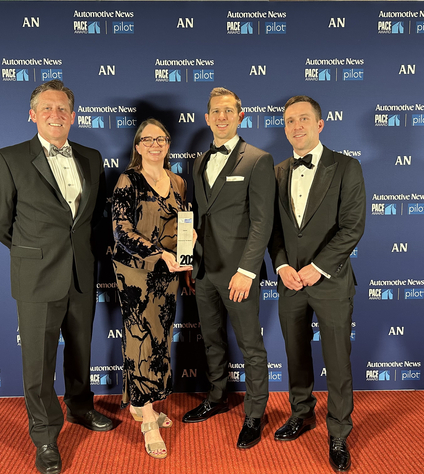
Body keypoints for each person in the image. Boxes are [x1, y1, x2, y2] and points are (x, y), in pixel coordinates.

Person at [0, 80, 111, 474]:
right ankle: (44, 434)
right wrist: (31, 252)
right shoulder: (9, 158)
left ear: (73, 116)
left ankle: (80, 407)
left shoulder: (91, 156)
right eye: (47, 108)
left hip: (82, 273)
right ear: (33, 114)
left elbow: (95, 217)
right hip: (36, 275)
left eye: (63, 109)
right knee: (37, 362)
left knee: (81, 348)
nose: (56, 114)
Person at [269, 95, 366, 472]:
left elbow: (352, 227)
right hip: (289, 281)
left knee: (338, 361)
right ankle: (301, 413)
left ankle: (339, 431)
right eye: (290, 120)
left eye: (304, 119)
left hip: (330, 282)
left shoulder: (346, 167)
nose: (297, 126)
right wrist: (280, 266)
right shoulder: (276, 172)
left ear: (320, 124)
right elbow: (271, 229)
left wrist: (318, 268)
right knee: (295, 354)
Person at [182, 87, 275, 449]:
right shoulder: (199, 162)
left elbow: (262, 222)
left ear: (241, 116)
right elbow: (197, 218)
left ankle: (255, 413)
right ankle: (216, 396)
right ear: (206, 119)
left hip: (239, 274)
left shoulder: (258, 159)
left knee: (251, 345)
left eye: (228, 111)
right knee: (212, 339)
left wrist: (248, 270)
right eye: (215, 112)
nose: (221, 117)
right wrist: (191, 262)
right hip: (204, 270)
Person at [112, 118, 192, 459]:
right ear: (138, 145)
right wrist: (159, 253)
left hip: (169, 273)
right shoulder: (127, 180)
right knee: (139, 338)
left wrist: (190, 242)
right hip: (134, 272)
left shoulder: (177, 181)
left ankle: (141, 401)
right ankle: (147, 418)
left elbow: (184, 221)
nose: (155, 145)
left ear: (168, 143)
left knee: (159, 338)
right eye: (148, 139)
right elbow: (121, 231)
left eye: (161, 139)